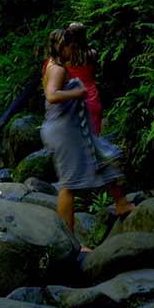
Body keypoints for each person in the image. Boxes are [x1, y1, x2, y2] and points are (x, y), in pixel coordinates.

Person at [40, 27, 134, 245]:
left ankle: (121, 202)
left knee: (105, 157)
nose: (74, 51)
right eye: (71, 47)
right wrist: (78, 92)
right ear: (63, 47)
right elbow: (51, 95)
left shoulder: (54, 64)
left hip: (71, 126)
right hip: (63, 130)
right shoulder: (57, 68)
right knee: (68, 185)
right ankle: (70, 242)